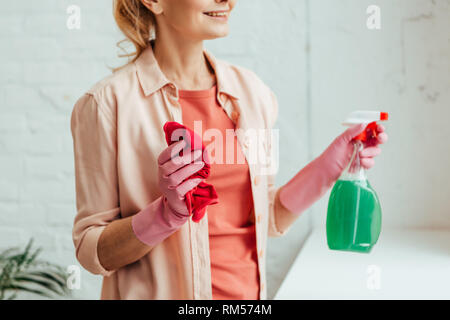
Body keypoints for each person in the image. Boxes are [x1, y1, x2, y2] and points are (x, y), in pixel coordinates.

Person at [70, 0, 388, 300]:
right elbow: (91, 250)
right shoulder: (106, 105)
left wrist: (330, 167)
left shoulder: (253, 94)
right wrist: (166, 215)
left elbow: (267, 217)